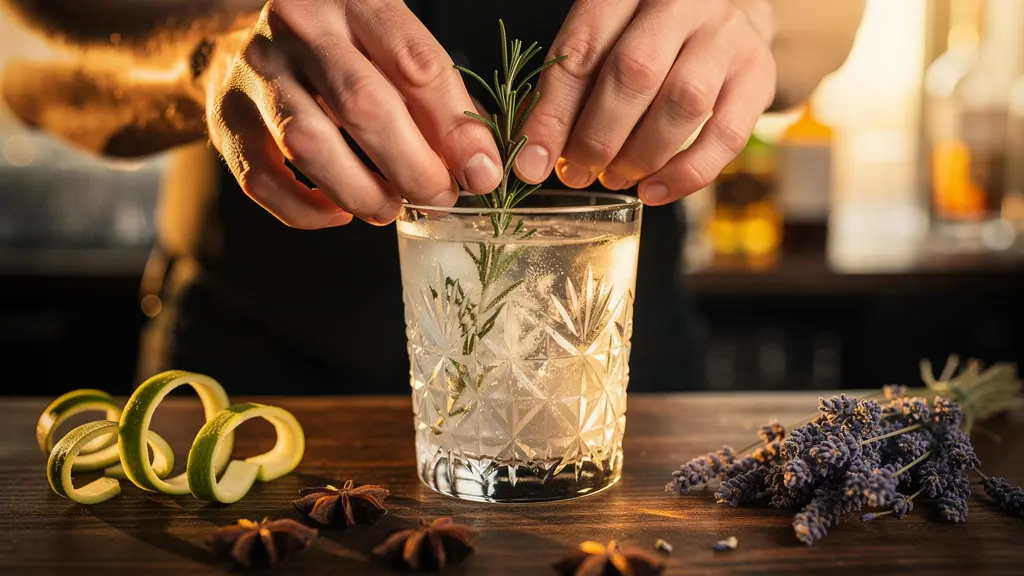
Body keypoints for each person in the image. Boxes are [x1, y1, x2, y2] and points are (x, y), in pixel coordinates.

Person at [1, 0, 865, 394]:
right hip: (252, 375)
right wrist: (202, 63)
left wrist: (758, 15)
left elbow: (832, 28)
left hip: (609, 380)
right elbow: (25, 64)